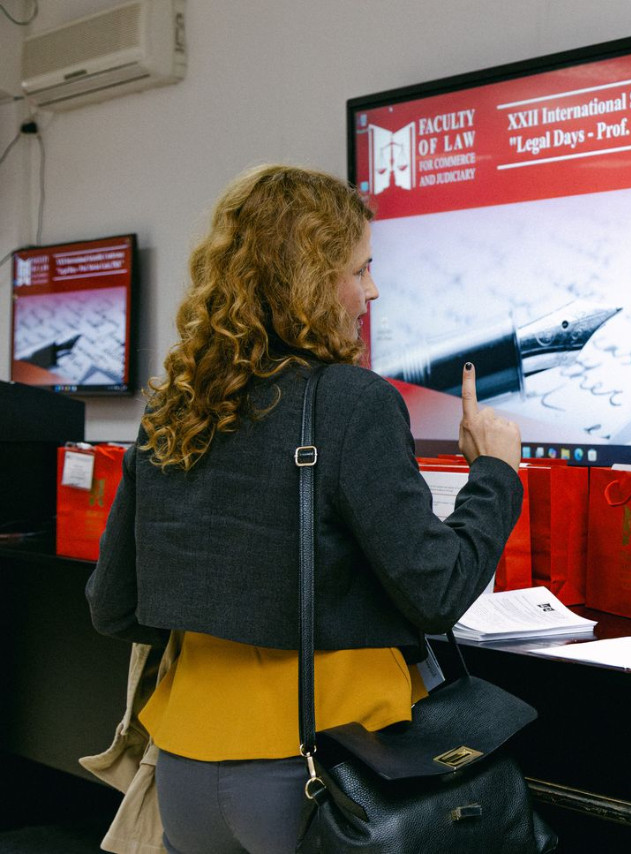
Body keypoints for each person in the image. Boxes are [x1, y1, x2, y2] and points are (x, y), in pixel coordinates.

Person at [85, 164, 524, 854]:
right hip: (326, 771)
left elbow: (114, 607)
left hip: (185, 772)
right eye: (361, 269)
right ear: (311, 282)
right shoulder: (351, 400)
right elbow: (436, 591)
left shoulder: (175, 406)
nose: (372, 290)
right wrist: (494, 474)